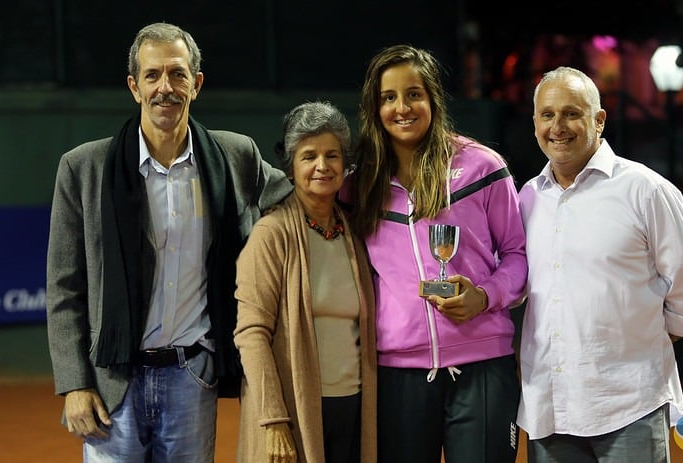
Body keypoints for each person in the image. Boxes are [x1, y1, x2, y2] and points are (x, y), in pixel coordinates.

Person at [45, 22, 292, 462]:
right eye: (152, 75)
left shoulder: (235, 157)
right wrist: (75, 383)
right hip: (111, 382)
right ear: (134, 87)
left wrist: (370, 185)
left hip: (191, 377)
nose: (166, 87)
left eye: (177, 74)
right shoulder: (83, 168)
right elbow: (65, 288)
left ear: (196, 84)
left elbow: (303, 194)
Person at [517, 66, 683, 462]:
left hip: (630, 406)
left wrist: (649, 339)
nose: (558, 126)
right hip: (549, 409)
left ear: (599, 120)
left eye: (572, 113)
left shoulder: (645, 190)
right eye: (547, 114)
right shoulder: (527, 198)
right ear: (535, 122)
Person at [342, 44, 527, 463]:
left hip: (483, 363)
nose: (401, 107)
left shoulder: (482, 167)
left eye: (413, 94)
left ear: (432, 100)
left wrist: (484, 296)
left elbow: (517, 254)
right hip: (396, 372)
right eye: (388, 97)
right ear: (374, 107)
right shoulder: (358, 186)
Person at [234, 101, 377, 463]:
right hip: (293, 411)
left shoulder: (354, 232)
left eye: (332, 155)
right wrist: (273, 419)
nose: (322, 166)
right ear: (291, 166)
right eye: (309, 156)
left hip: (353, 406)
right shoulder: (271, 234)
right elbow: (251, 334)